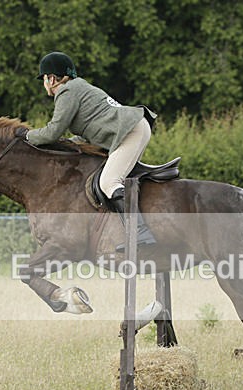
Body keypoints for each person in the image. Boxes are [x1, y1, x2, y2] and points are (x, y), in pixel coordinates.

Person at [16, 51, 156, 247]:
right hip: (134, 127)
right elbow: (86, 133)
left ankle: (140, 234)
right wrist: (68, 145)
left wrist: (25, 136)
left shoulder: (66, 91)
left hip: (131, 131)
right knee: (112, 179)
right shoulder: (78, 86)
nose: (44, 84)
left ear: (52, 78)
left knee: (109, 182)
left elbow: (52, 131)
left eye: (44, 79)